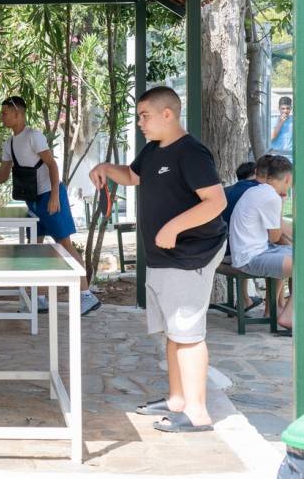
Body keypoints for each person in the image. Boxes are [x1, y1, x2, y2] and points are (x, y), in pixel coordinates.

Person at [90, 87, 227, 433]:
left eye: (144, 116)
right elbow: (133, 177)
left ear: (168, 114)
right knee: (174, 332)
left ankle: (197, 413)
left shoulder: (192, 153)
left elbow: (216, 201)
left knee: (189, 334)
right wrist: (106, 168)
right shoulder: (152, 150)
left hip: (191, 254)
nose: (140, 123)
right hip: (163, 257)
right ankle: (177, 400)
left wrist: (174, 227)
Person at [0, 96, 100, 316]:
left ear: (17, 113)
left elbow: (52, 165)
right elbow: (2, 176)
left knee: (65, 245)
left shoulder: (34, 136)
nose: (2, 117)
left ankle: (86, 295)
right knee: (35, 247)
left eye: (5, 113)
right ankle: (40, 298)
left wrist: (54, 196)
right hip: (32, 200)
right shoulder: (9, 143)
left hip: (50, 197)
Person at [228, 155, 304, 353]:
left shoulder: (259, 191)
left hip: (257, 251)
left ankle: (291, 314)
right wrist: (281, 204)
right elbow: (276, 236)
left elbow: (279, 230)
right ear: (287, 178)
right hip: (251, 258)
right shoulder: (271, 197)